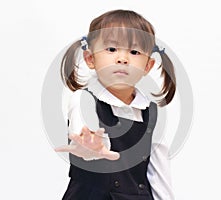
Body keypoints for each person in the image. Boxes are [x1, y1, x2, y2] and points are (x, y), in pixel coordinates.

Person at [55, 9, 176, 200]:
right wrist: (91, 147)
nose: (122, 58)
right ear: (90, 59)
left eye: (134, 52)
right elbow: (86, 136)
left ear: (147, 66)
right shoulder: (84, 99)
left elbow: (160, 177)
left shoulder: (152, 113)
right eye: (111, 49)